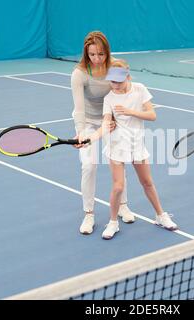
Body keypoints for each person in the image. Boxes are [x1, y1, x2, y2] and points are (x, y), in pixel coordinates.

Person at [85, 59, 178, 239]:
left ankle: (160, 215)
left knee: (147, 183)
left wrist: (130, 111)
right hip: (116, 147)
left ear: (127, 76)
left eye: (119, 81)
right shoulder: (109, 98)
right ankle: (113, 223)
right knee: (118, 187)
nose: (116, 85)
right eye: (112, 81)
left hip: (137, 146)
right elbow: (105, 123)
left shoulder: (140, 89)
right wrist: (91, 138)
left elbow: (152, 115)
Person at [71, 31, 136, 235]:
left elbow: (126, 92)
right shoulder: (79, 73)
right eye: (92, 55)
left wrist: (116, 118)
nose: (97, 59)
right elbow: (79, 108)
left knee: (119, 163)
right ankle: (89, 214)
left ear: (107, 52)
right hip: (89, 122)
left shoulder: (114, 67)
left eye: (101, 54)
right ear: (86, 54)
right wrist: (81, 133)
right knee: (89, 165)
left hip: (112, 119)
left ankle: (123, 205)